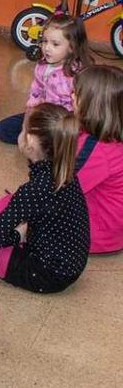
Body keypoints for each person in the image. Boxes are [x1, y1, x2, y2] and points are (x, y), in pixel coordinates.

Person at [0, 104, 89, 293]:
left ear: (30, 142)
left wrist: (19, 234)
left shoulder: (34, 190)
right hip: (70, 264)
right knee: (6, 205)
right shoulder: (64, 171)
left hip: (47, 275)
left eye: (23, 129)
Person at [0, 15, 92, 144]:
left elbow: (81, 110)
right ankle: (42, 142)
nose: (46, 48)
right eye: (45, 41)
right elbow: (36, 93)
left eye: (55, 44)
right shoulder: (42, 66)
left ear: (72, 47)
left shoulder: (76, 75)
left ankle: (49, 144)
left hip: (63, 124)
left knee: (60, 140)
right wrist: (27, 124)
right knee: (3, 129)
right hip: (41, 116)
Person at [71, 65, 123, 253]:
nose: (72, 98)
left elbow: (61, 188)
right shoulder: (111, 137)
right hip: (113, 229)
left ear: (92, 105)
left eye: (76, 94)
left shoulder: (98, 150)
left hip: (97, 234)